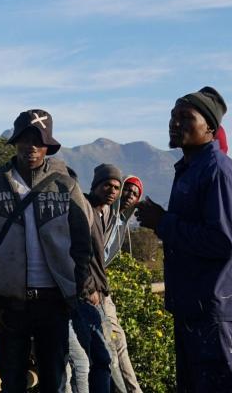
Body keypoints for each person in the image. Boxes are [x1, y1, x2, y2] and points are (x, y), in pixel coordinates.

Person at [0, 109, 100, 393]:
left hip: (53, 302)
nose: (32, 147)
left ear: (47, 146)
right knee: (12, 381)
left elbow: (82, 243)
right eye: (26, 139)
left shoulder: (64, 184)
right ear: (15, 141)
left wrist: (77, 289)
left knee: (54, 380)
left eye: (38, 141)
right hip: (8, 304)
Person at [135, 87, 232, 393]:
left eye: (186, 117)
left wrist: (163, 222)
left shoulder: (217, 171)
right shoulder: (190, 169)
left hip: (216, 312)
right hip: (193, 308)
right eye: (173, 116)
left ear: (210, 128)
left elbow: (224, 240)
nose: (175, 123)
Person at [88, 164, 143, 393]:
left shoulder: (119, 224)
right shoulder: (102, 214)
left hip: (101, 289)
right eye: (127, 190)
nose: (129, 196)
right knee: (112, 344)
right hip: (91, 290)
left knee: (115, 344)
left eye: (135, 194)